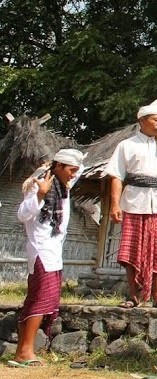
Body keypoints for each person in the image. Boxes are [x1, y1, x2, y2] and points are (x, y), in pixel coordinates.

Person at [104, 97, 157, 307]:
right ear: (142, 121)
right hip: (133, 203)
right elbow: (116, 176)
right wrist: (115, 204)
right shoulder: (126, 145)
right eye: (156, 119)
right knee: (132, 250)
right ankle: (133, 295)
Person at [11, 149, 84, 366]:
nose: (74, 174)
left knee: (40, 300)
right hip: (41, 250)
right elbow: (22, 215)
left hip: (54, 252)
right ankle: (24, 351)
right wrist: (41, 195)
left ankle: (23, 351)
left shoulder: (63, 185)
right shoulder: (38, 184)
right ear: (59, 167)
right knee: (39, 301)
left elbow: (79, 167)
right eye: (71, 170)